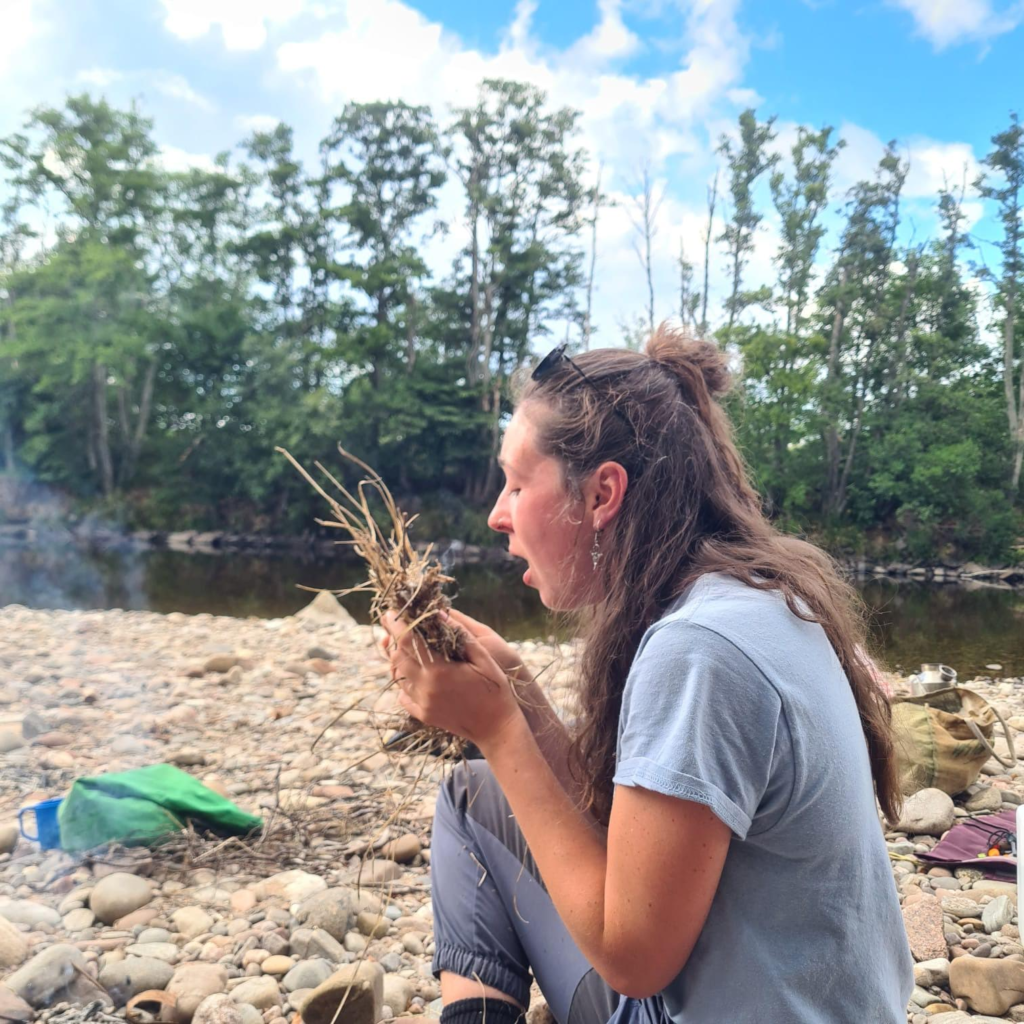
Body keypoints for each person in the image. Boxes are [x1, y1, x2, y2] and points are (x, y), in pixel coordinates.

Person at [382, 325, 914, 1024]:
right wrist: (516, 689)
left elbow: (633, 960)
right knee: (475, 794)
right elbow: (635, 831)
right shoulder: (746, 598)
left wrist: (498, 729)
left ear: (602, 494)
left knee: (476, 788)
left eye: (516, 483)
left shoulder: (698, 651)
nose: (497, 515)